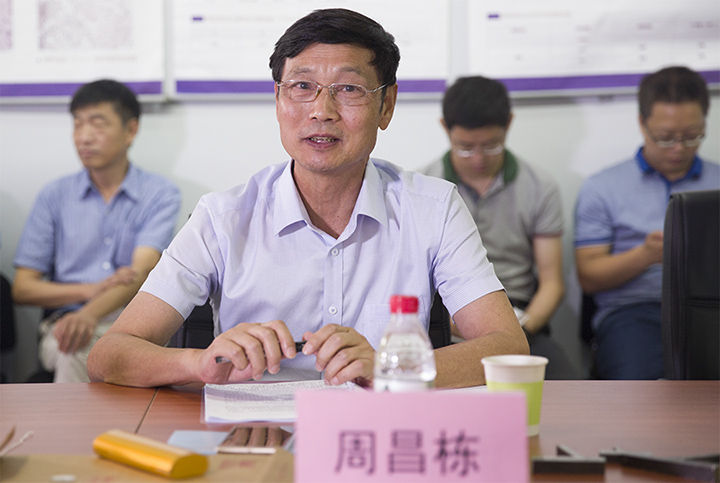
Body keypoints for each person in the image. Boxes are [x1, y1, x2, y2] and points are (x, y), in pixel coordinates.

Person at [88, 8, 528, 389]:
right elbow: (109, 355)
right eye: (302, 86)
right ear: (278, 100)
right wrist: (197, 363)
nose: (322, 110)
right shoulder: (223, 218)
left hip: (378, 431)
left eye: (349, 89)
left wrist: (388, 368)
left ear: (387, 106)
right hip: (255, 435)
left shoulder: (433, 208)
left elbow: (508, 346)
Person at [12, 79, 181, 383]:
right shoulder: (54, 196)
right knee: (73, 346)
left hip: (131, 320)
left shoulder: (159, 193)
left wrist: (90, 313)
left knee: (124, 352)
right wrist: (88, 292)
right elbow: (23, 288)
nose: (84, 137)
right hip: (64, 322)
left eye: (98, 124)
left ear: (130, 130)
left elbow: (141, 271)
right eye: (77, 125)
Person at [422, 76, 581, 380]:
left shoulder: (539, 186)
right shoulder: (424, 188)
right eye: (465, 148)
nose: (478, 159)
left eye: (491, 146)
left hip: (519, 318)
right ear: (445, 128)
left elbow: (552, 283)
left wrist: (517, 334)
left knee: (568, 386)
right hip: (446, 321)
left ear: (509, 124)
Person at [574, 66, 719, 380]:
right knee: (640, 389)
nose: (679, 148)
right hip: (634, 311)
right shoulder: (603, 187)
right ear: (642, 124)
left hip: (712, 308)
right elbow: (589, 276)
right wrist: (647, 255)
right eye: (665, 138)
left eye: (692, 136)